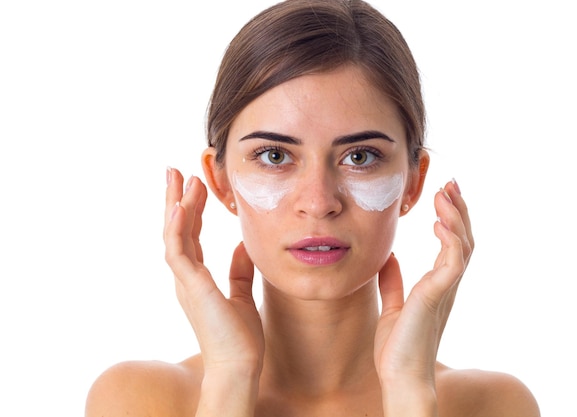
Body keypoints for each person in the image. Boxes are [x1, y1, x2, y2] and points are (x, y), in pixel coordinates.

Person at [85, 1, 540, 416]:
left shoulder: (494, 406)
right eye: (275, 156)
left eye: (359, 156)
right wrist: (229, 378)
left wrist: (409, 393)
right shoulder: (135, 399)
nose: (319, 203)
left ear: (413, 180)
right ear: (220, 180)